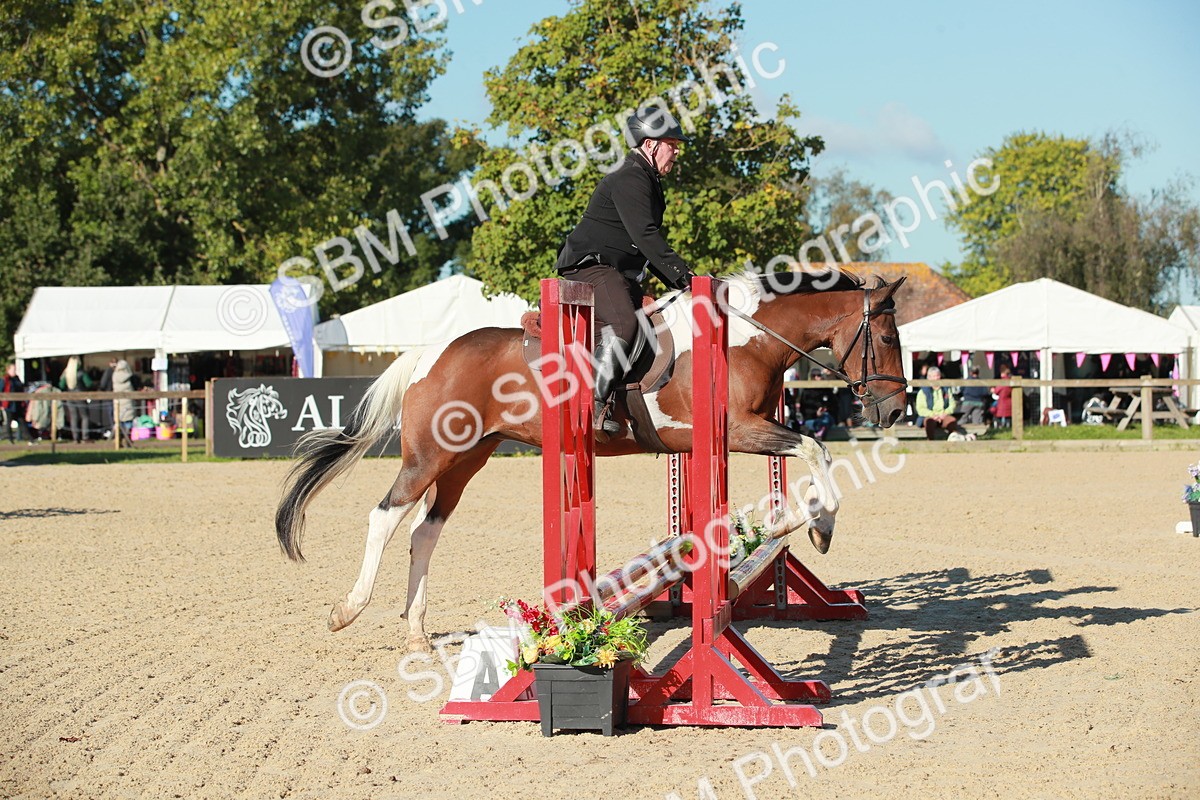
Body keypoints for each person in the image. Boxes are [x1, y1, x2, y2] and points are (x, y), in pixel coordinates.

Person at [555, 107, 694, 437]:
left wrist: (680, 282)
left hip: (619, 273)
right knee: (624, 323)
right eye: (671, 144)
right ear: (650, 145)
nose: (676, 151)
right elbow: (645, 236)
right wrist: (687, 278)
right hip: (592, 266)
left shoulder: (644, 177)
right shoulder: (630, 176)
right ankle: (595, 404)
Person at [917, 366, 973, 440]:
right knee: (929, 422)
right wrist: (933, 415)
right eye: (933, 376)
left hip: (943, 415)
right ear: (929, 378)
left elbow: (952, 404)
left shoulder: (946, 389)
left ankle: (954, 440)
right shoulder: (923, 391)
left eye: (937, 376)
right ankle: (930, 442)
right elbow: (920, 408)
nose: (935, 378)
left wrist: (945, 413)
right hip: (930, 416)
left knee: (952, 421)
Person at [57, 355, 94, 443]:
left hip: (70, 396)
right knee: (84, 417)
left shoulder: (66, 373)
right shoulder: (81, 372)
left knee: (73, 417)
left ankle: (75, 438)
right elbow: (89, 384)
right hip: (80, 396)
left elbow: (61, 385)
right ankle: (85, 437)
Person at [799, 368, 836, 440]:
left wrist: (825, 409)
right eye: (813, 376)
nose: (816, 377)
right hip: (811, 418)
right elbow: (803, 408)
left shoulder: (827, 390)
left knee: (826, 418)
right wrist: (815, 413)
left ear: (822, 376)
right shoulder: (806, 391)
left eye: (819, 375)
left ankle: (818, 435)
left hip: (826, 417)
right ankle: (818, 435)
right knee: (813, 424)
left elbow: (834, 405)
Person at [111, 359, 137, 446]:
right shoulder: (130, 376)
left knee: (119, 421)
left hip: (118, 401)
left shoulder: (114, 376)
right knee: (128, 421)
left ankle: (118, 439)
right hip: (128, 401)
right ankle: (128, 439)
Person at [1, 362, 27, 443]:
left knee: (21, 421)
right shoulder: (4, 379)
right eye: (13, 369)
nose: (15, 371)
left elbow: (21, 388)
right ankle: (10, 439)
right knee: (9, 422)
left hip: (17, 404)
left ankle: (27, 438)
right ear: (8, 370)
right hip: (8, 405)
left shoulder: (16, 379)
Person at [992, 364, 1013, 428]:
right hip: (1010, 402)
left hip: (1002, 402)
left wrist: (993, 390)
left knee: (994, 410)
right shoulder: (1011, 381)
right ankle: (1008, 427)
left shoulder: (1002, 382)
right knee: (1008, 418)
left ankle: (999, 426)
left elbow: (996, 391)